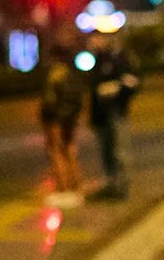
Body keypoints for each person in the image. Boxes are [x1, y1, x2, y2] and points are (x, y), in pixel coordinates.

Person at [84, 30, 143, 201]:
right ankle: (111, 183)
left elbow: (132, 82)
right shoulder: (98, 60)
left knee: (119, 150)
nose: (93, 42)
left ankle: (122, 186)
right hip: (101, 115)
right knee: (106, 151)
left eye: (96, 38)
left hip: (116, 112)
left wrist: (114, 90)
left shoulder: (120, 59)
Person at [38, 44, 86, 197]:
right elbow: (77, 100)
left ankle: (63, 187)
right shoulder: (72, 75)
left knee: (56, 152)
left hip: (56, 121)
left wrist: (49, 118)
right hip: (69, 120)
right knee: (69, 151)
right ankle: (76, 185)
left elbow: (50, 101)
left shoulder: (56, 75)